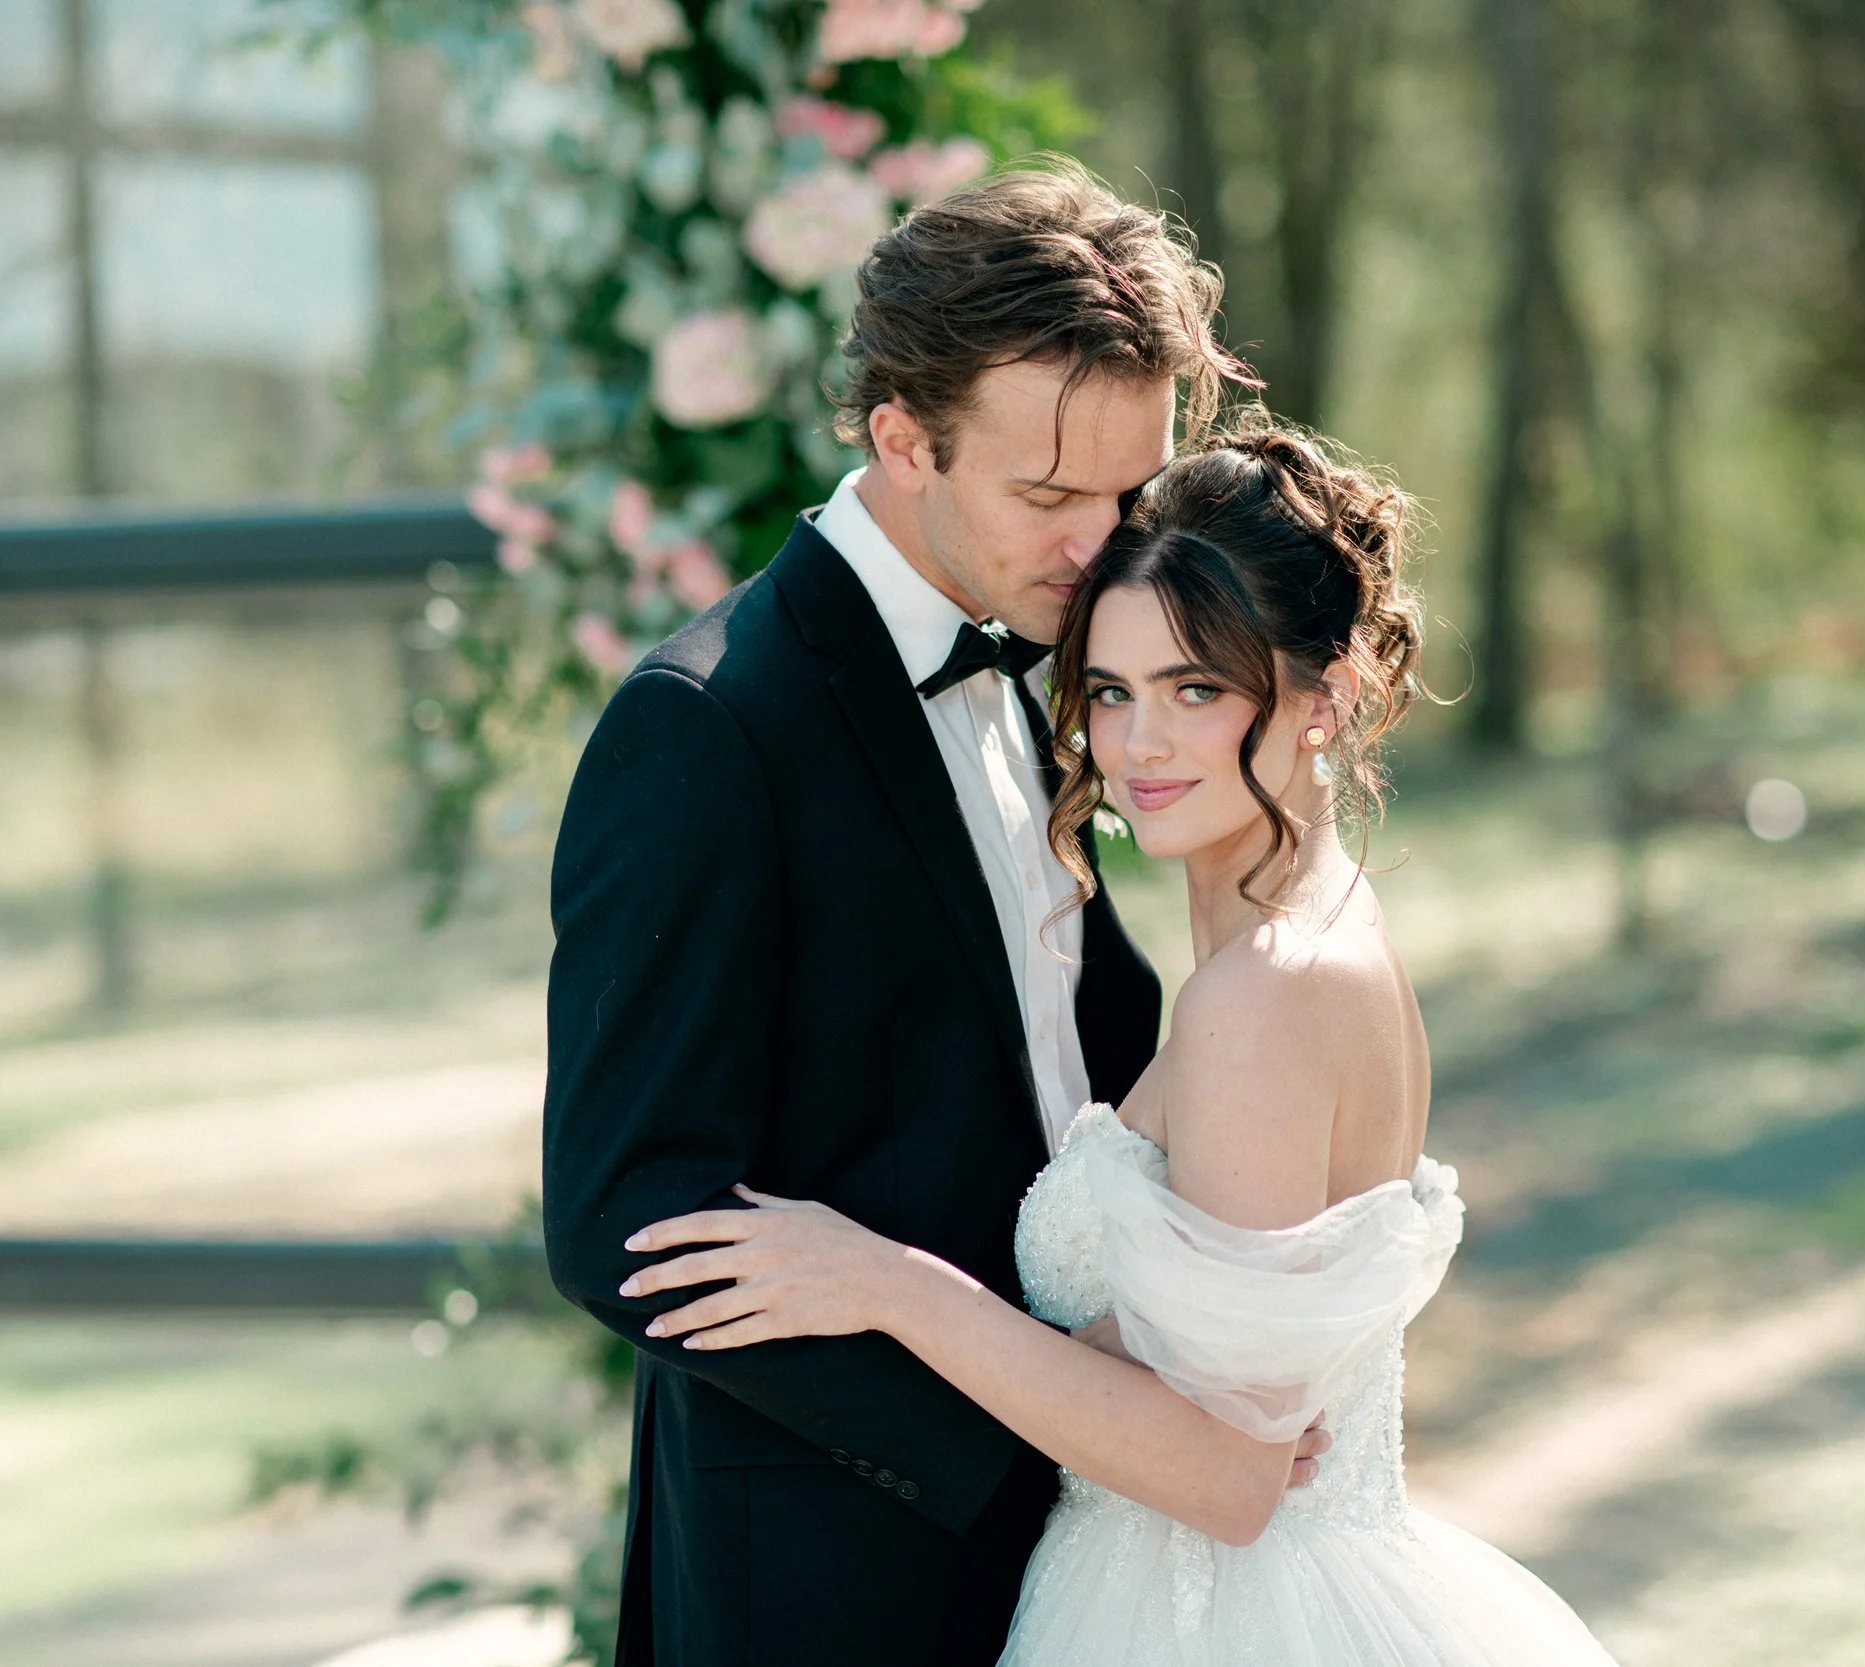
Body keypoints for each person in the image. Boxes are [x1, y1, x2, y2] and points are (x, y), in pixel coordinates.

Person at [619, 416, 1627, 1665]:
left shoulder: (1262, 995)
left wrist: (885, 1282)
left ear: (1327, 694)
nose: (1138, 745)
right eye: (1109, 690)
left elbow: (1227, 1475)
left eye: (1196, 689)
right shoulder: (1301, 941)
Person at [540, 160, 1326, 1667]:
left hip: (1088, 1542)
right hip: (829, 1576)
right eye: (1049, 495)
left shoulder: (1047, 659)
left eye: (1127, 492)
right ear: (903, 437)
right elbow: (623, 1217)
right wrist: (1015, 1427)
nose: (1103, 546)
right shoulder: (707, 728)